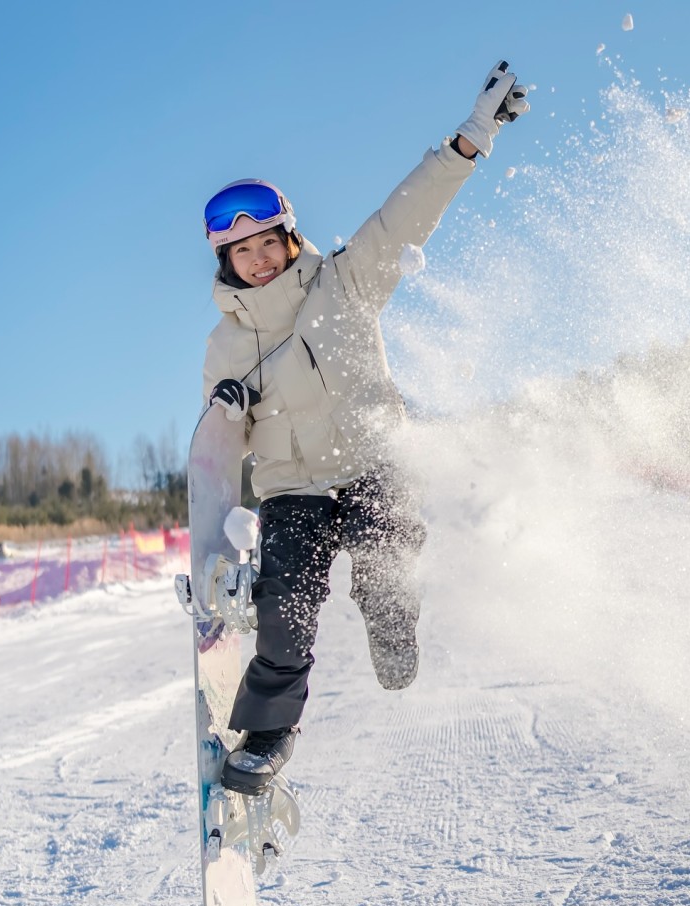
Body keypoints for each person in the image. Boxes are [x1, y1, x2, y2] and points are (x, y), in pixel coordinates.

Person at [201, 61, 530, 795]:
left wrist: (472, 137)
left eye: (266, 243)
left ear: (290, 239)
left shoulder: (345, 282)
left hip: (370, 463)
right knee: (285, 609)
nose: (256, 260)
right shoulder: (224, 345)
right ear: (225, 260)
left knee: (388, 551)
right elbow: (221, 441)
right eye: (239, 251)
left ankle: (391, 619)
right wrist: (226, 409)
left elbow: (407, 213)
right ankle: (268, 732)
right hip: (293, 490)